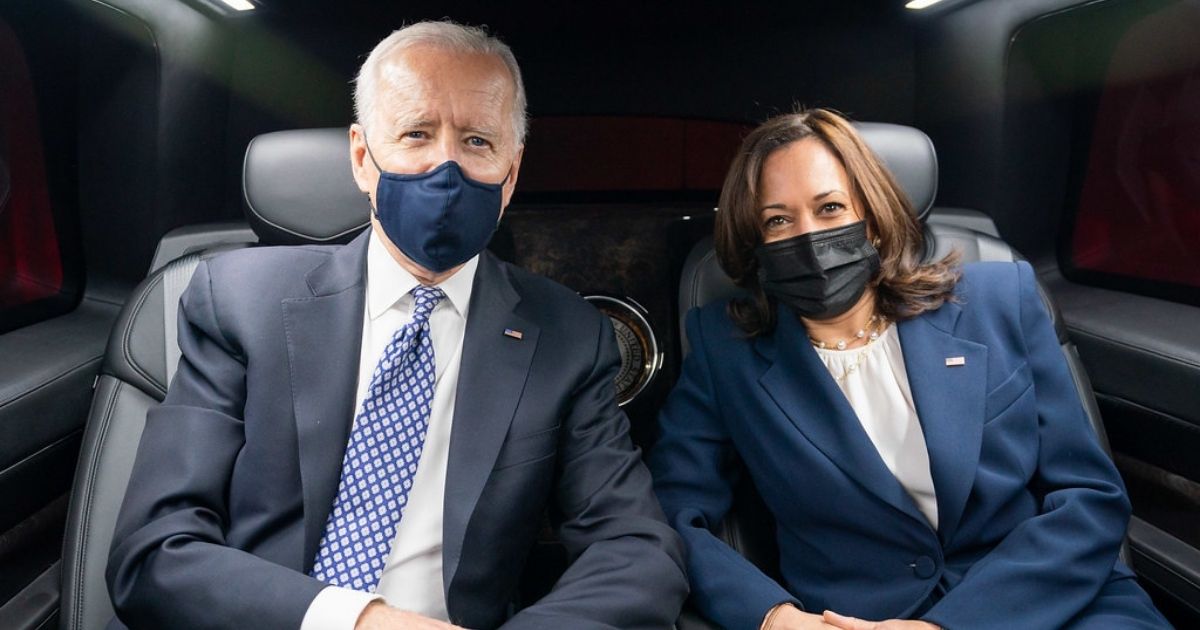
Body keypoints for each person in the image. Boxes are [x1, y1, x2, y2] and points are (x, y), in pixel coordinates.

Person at [106, 21, 687, 630]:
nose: (446, 167)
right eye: (416, 133)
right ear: (363, 158)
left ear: (510, 176)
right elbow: (154, 549)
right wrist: (360, 621)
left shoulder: (568, 337)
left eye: (477, 142)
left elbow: (637, 551)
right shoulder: (238, 300)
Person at [649, 108, 1170, 630]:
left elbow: (1090, 496)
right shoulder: (724, 351)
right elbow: (670, 514)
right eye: (778, 220)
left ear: (873, 222)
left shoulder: (999, 300)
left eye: (830, 208)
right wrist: (774, 617)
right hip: (858, 620)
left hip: (1051, 601)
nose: (807, 237)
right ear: (757, 241)